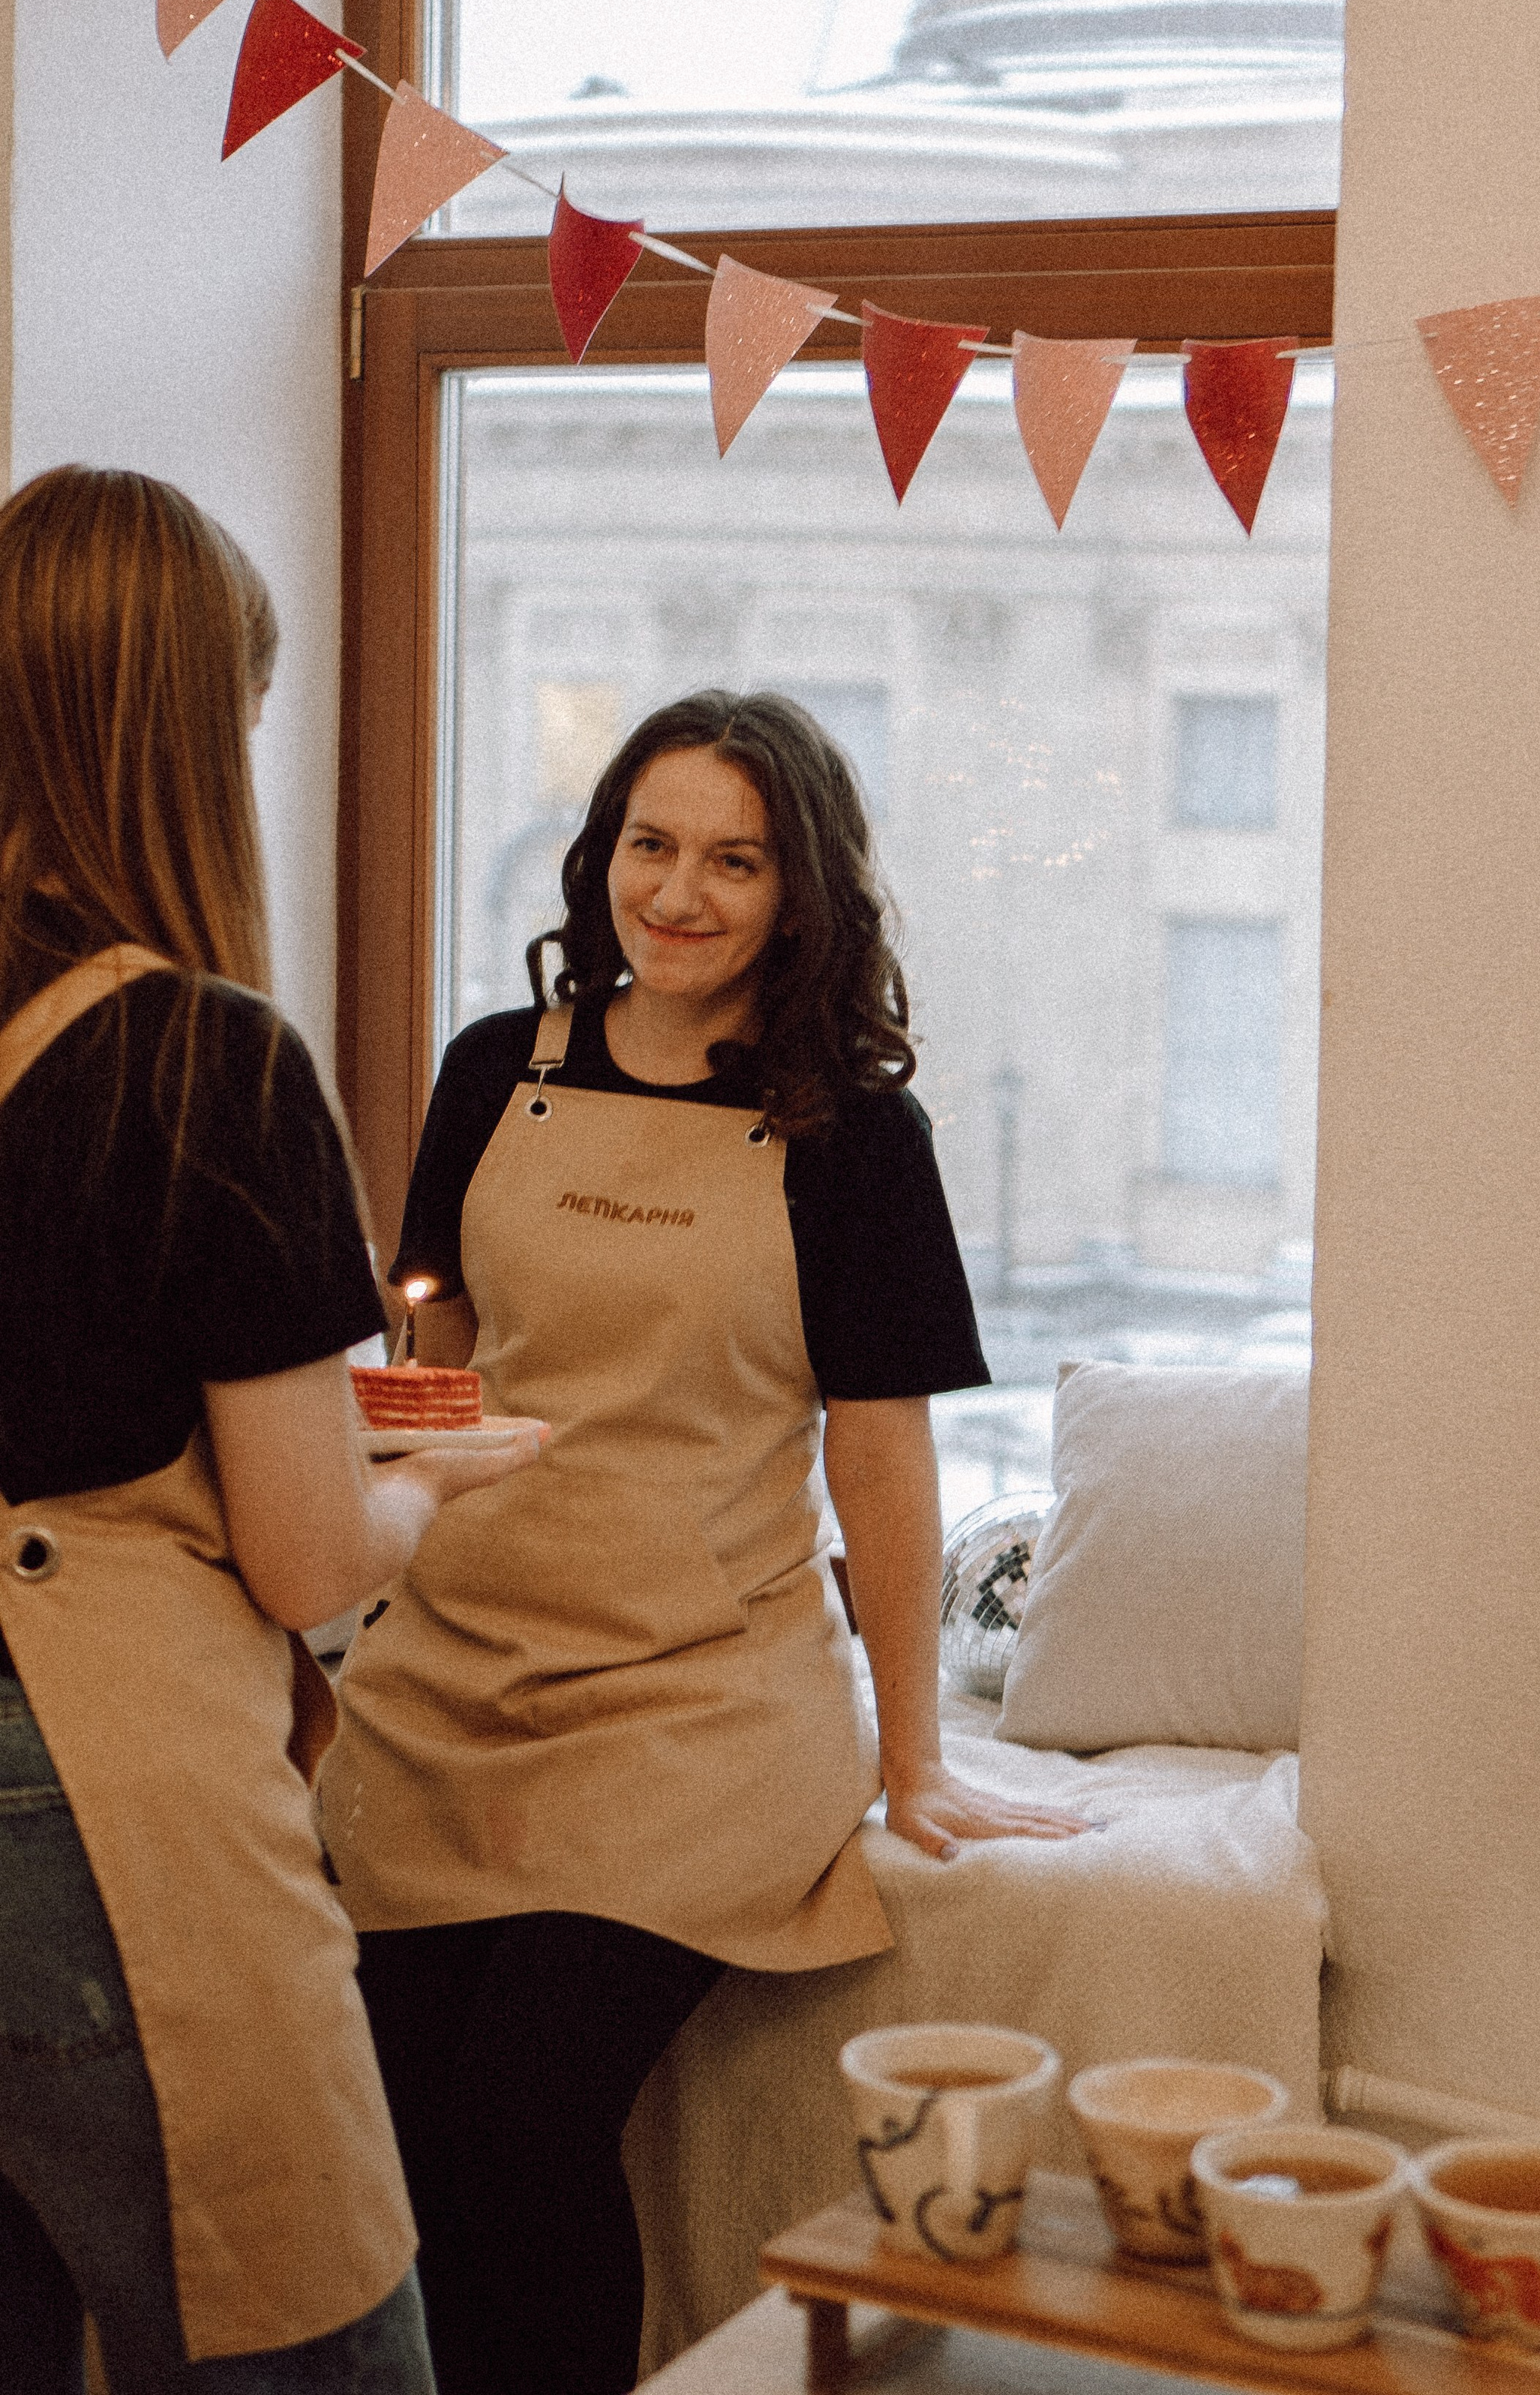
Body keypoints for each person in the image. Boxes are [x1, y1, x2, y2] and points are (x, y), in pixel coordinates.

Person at [320, 688, 1086, 2395]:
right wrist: (346, 1588)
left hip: (697, 1703)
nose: (678, 894)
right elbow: (433, 1371)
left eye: (733, 860)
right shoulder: (483, 1074)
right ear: (599, 860)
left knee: (520, 2124)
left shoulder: (850, 1136)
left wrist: (913, 1754)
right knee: (388, 2126)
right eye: (650, 847)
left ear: (798, 894)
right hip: (449, 1684)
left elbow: (880, 1466)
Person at [0, 464, 539, 2392]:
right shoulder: (205, 1059)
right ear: (178, 735)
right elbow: (306, 1555)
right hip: (86, 1798)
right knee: (307, 2343)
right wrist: (425, 1479)